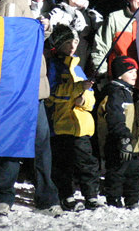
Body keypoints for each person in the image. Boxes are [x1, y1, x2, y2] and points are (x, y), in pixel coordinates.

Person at [0, 0, 62, 216]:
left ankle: (46, 197)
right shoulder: (11, 1)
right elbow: (9, 41)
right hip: (19, 85)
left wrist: (43, 28)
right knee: (15, 142)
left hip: (31, 83)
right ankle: (4, 197)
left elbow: (28, 38)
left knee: (41, 142)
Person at [44, 25, 99, 211]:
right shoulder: (53, 66)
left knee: (87, 163)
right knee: (63, 164)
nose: (73, 46)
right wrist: (78, 89)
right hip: (61, 125)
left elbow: (90, 97)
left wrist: (84, 99)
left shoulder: (77, 68)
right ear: (58, 44)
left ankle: (91, 195)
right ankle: (66, 195)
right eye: (68, 42)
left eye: (75, 42)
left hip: (81, 126)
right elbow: (52, 93)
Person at [96, 56, 139, 209]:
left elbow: (137, 118)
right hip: (117, 142)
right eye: (130, 72)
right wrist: (124, 138)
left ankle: (132, 200)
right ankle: (113, 200)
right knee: (117, 172)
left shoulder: (131, 93)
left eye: (135, 72)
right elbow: (115, 117)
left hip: (133, 142)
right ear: (119, 74)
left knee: (134, 172)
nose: (134, 75)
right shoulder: (114, 93)